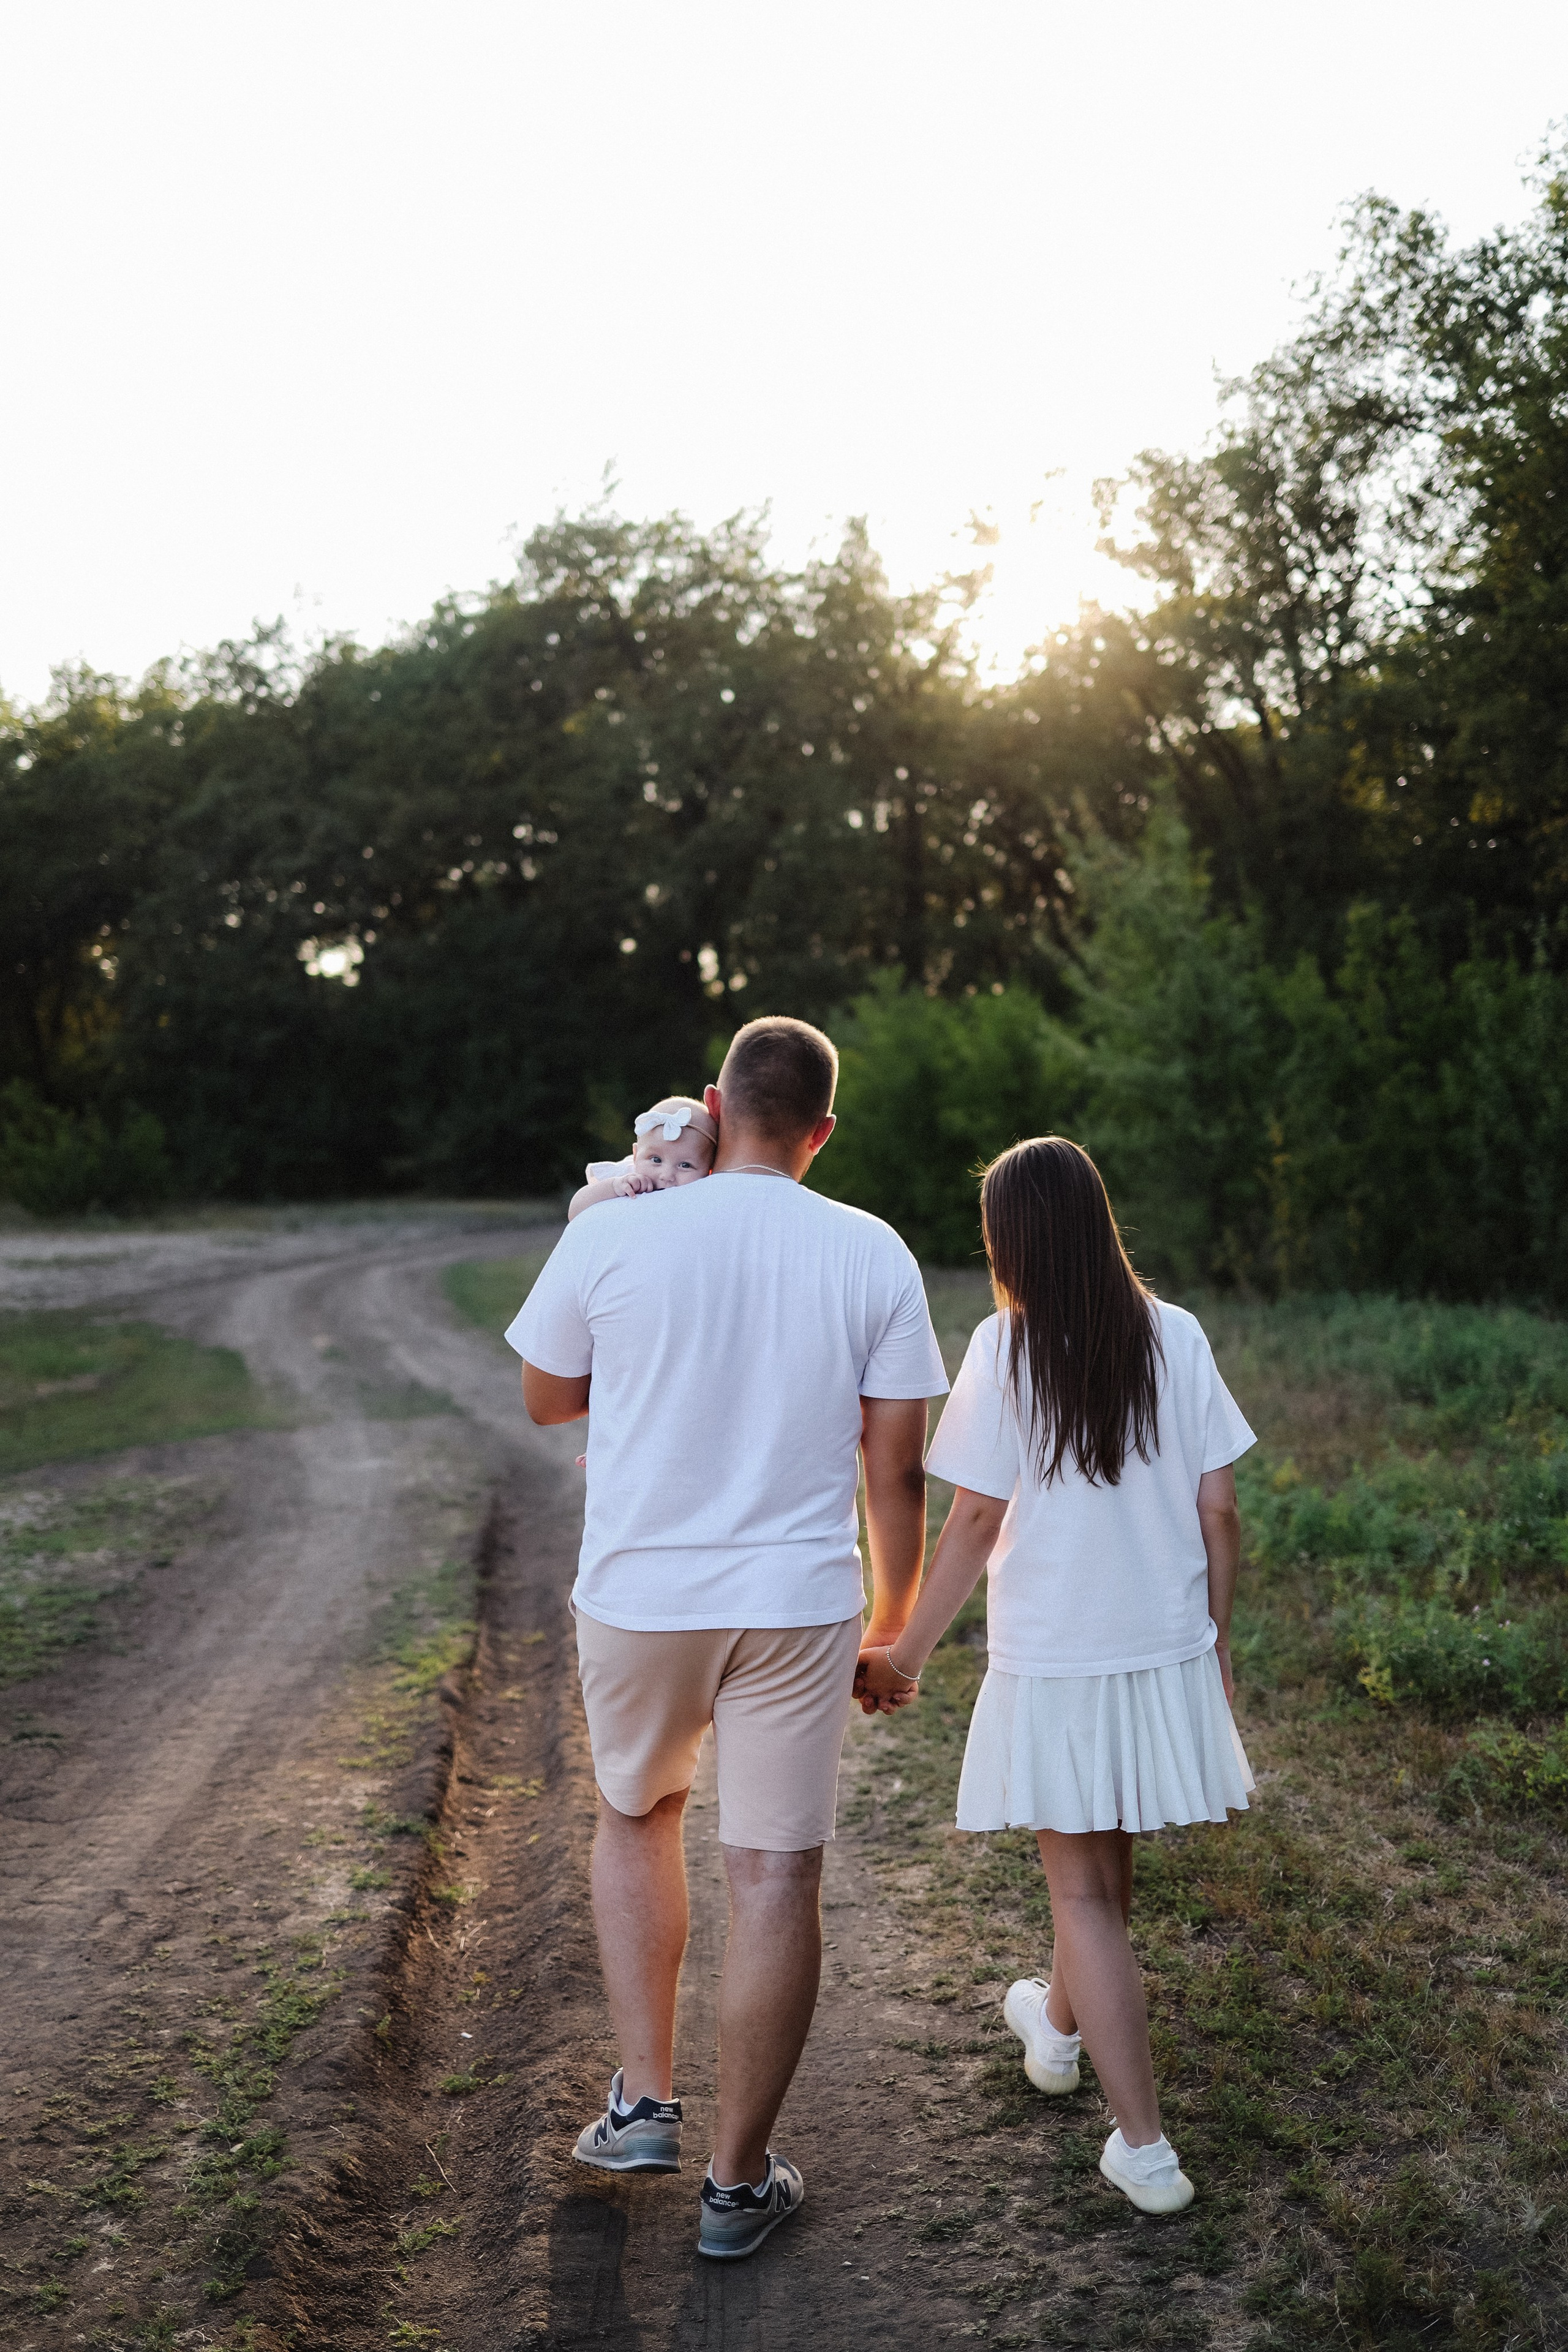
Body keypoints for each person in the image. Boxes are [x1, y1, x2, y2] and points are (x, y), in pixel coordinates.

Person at [509, 1016, 948, 2260]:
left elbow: (545, 1398)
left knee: (638, 1816)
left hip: (640, 1592)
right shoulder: (870, 1249)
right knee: (774, 1874)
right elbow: (896, 1470)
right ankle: (736, 2184)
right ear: (821, 1132)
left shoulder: (615, 1231)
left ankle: (643, 2105)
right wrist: (896, 1626)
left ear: (714, 1103)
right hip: (797, 1602)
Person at [856, 1136, 1254, 2217]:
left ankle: (1145, 2150)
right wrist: (1217, 1643)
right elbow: (1220, 1511)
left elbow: (975, 1517)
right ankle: (1057, 2031)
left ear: (1011, 1246)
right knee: (1103, 1879)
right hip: (1162, 1644)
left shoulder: (1007, 1346)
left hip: (1062, 1656)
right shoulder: (1176, 1333)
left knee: (1082, 1892)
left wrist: (905, 1656)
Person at [567, 1095, 718, 1220]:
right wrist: (614, 1187)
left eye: (685, 1165)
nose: (666, 1176)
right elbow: (575, 1212)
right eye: (656, 1160)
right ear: (636, 1155)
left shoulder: (703, 1196)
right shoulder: (625, 1177)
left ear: (710, 1170)